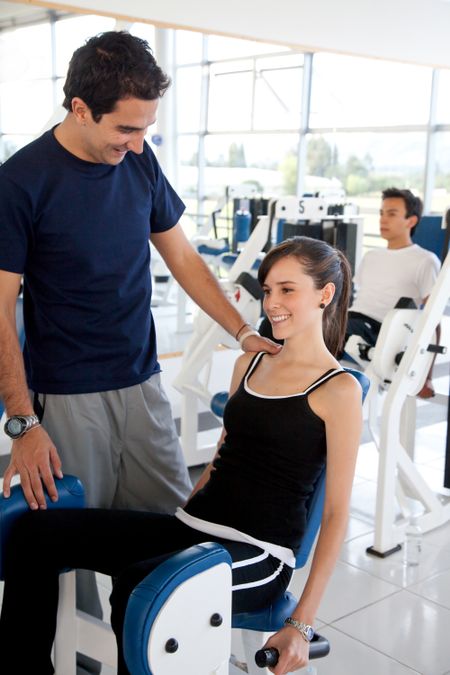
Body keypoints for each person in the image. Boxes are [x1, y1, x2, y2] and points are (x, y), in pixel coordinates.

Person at [0, 30, 278, 675]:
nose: (137, 142)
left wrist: (243, 332)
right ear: (79, 109)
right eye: (126, 128)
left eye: (146, 128)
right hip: (67, 397)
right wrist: (23, 423)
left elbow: (182, 258)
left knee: (170, 545)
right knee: (58, 552)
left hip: (143, 387)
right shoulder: (20, 182)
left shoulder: (139, 161)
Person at [0, 236, 363, 675]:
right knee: (35, 533)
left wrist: (301, 624)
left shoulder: (338, 389)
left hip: (258, 554)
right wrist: (184, 514)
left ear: (325, 294)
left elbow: (336, 514)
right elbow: (223, 454)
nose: (272, 303)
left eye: (287, 290)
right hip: (194, 527)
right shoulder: (249, 364)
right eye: (268, 290)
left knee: (139, 589)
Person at [345, 187, 441, 397]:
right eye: (381, 213)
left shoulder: (425, 260)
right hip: (353, 321)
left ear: (411, 221)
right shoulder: (371, 256)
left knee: (324, 332)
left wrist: (426, 377)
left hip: (383, 331)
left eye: (391, 214)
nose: (383, 219)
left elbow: (433, 320)